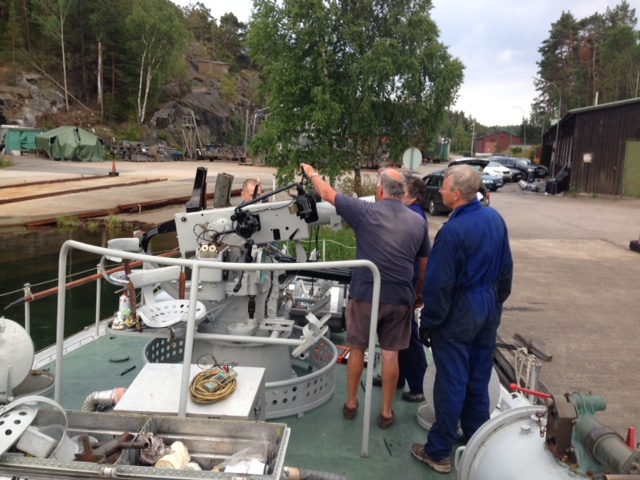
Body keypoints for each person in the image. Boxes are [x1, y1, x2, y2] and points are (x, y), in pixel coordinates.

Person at [300, 163, 430, 429]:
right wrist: (418, 293)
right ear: (402, 192)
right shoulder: (418, 221)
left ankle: (351, 403)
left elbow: (326, 193)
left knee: (358, 348)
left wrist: (311, 172)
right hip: (400, 296)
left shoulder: (364, 211)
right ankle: (386, 412)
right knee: (391, 353)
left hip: (365, 295)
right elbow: (424, 263)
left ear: (380, 190)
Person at [411, 164, 513, 474]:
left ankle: (439, 452)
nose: (439, 190)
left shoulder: (452, 232)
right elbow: (506, 269)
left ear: (456, 194)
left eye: (443, 186)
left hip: (460, 312)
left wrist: (429, 323)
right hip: (489, 308)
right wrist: (494, 302)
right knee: (478, 377)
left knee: (451, 382)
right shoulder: (494, 219)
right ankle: (476, 442)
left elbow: (439, 286)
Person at [372, 174, 429, 402]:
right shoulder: (413, 214)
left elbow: (423, 260)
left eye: (402, 191)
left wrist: (418, 291)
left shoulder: (412, 216)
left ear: (412, 196)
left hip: (404, 283)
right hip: (405, 282)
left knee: (408, 337)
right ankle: (397, 378)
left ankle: (420, 385)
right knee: (397, 338)